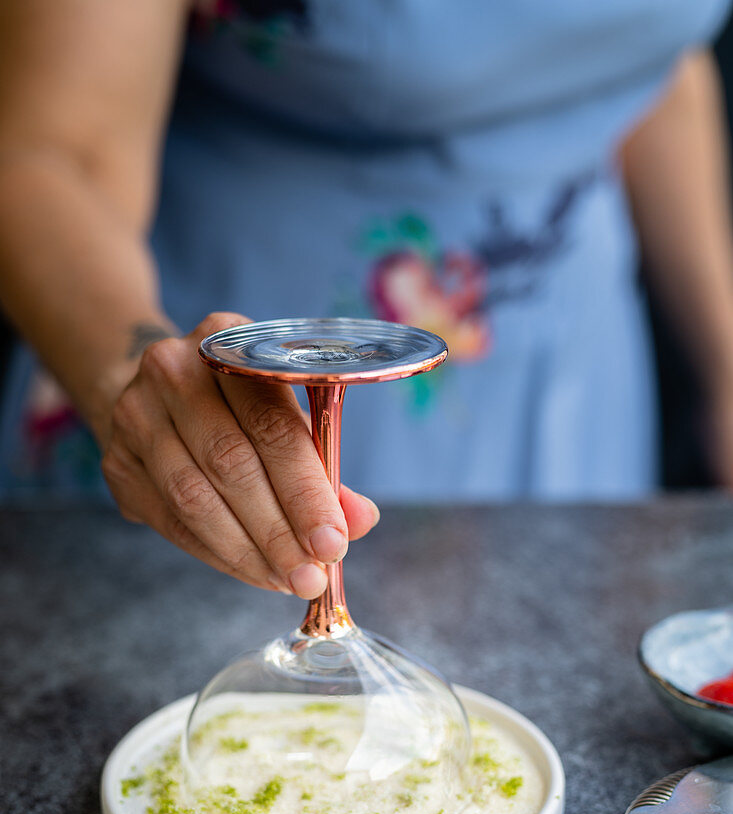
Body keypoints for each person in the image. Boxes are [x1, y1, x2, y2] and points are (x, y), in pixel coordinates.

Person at [1, 1, 733, 602]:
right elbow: (55, 153)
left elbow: (640, 62)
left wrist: (724, 363)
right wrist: (127, 371)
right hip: (229, 363)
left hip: (570, 373)